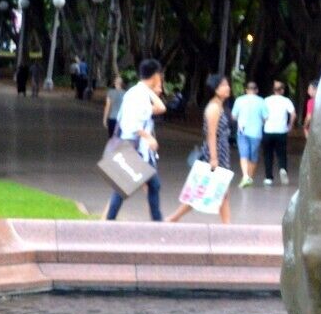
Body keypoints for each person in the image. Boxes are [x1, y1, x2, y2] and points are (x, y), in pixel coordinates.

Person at [106, 59, 167, 222]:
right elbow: (130, 123)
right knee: (122, 188)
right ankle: (109, 223)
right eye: (159, 77)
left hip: (139, 150)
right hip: (134, 148)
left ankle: (157, 222)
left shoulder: (139, 93)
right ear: (154, 76)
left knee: (153, 185)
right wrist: (148, 137)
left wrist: (149, 89)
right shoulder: (137, 95)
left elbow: (161, 108)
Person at [169, 75, 235, 224]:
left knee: (214, 189)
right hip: (215, 152)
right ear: (216, 90)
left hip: (220, 151)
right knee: (217, 189)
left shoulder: (219, 106)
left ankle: (174, 218)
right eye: (224, 85)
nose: (228, 88)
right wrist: (213, 157)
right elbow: (211, 134)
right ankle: (227, 226)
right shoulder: (213, 108)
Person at [260, 79, 296, 185]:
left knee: (268, 154)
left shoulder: (266, 100)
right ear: (282, 91)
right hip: (281, 131)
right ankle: (282, 168)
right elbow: (293, 114)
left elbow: (263, 115)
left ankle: (268, 178)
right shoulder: (286, 101)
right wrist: (290, 125)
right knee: (282, 153)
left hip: (268, 130)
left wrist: (264, 122)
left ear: (273, 90)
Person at [231, 79, 266, 188]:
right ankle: (249, 177)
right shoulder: (261, 101)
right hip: (256, 132)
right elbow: (266, 117)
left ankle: (245, 176)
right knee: (253, 155)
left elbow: (233, 116)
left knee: (243, 154)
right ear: (256, 90)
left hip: (242, 131)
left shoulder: (239, 100)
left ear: (246, 90)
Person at [102, 73, 126, 140]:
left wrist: (104, 119)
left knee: (112, 138)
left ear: (114, 83)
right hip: (122, 119)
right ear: (122, 83)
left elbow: (107, 106)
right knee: (120, 138)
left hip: (112, 118)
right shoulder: (126, 93)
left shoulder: (110, 92)